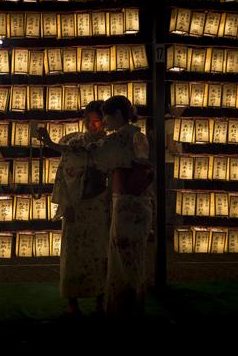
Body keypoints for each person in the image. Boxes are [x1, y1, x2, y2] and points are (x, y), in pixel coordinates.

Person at [37, 101, 110, 317]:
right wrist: (65, 203)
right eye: (88, 119)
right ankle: (72, 299)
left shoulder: (109, 143)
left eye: (96, 120)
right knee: (73, 253)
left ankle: (101, 297)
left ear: (104, 121)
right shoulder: (72, 139)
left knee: (100, 252)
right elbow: (62, 173)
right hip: (75, 203)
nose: (91, 124)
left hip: (99, 204)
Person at [86, 95, 154, 318]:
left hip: (125, 200)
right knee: (134, 256)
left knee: (122, 255)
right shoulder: (138, 137)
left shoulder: (118, 139)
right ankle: (134, 306)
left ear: (116, 115)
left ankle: (121, 309)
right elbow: (145, 168)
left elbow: (93, 154)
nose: (104, 121)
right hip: (140, 202)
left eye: (106, 116)